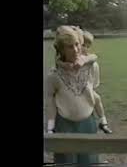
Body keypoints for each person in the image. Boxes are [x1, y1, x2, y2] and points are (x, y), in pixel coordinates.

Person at [45, 26, 107, 166]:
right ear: (61, 50)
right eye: (69, 47)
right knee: (66, 162)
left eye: (77, 44)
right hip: (65, 125)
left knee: (89, 161)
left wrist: (87, 60)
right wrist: (50, 128)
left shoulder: (92, 67)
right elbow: (50, 101)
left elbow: (93, 88)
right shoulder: (53, 75)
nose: (75, 50)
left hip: (88, 123)